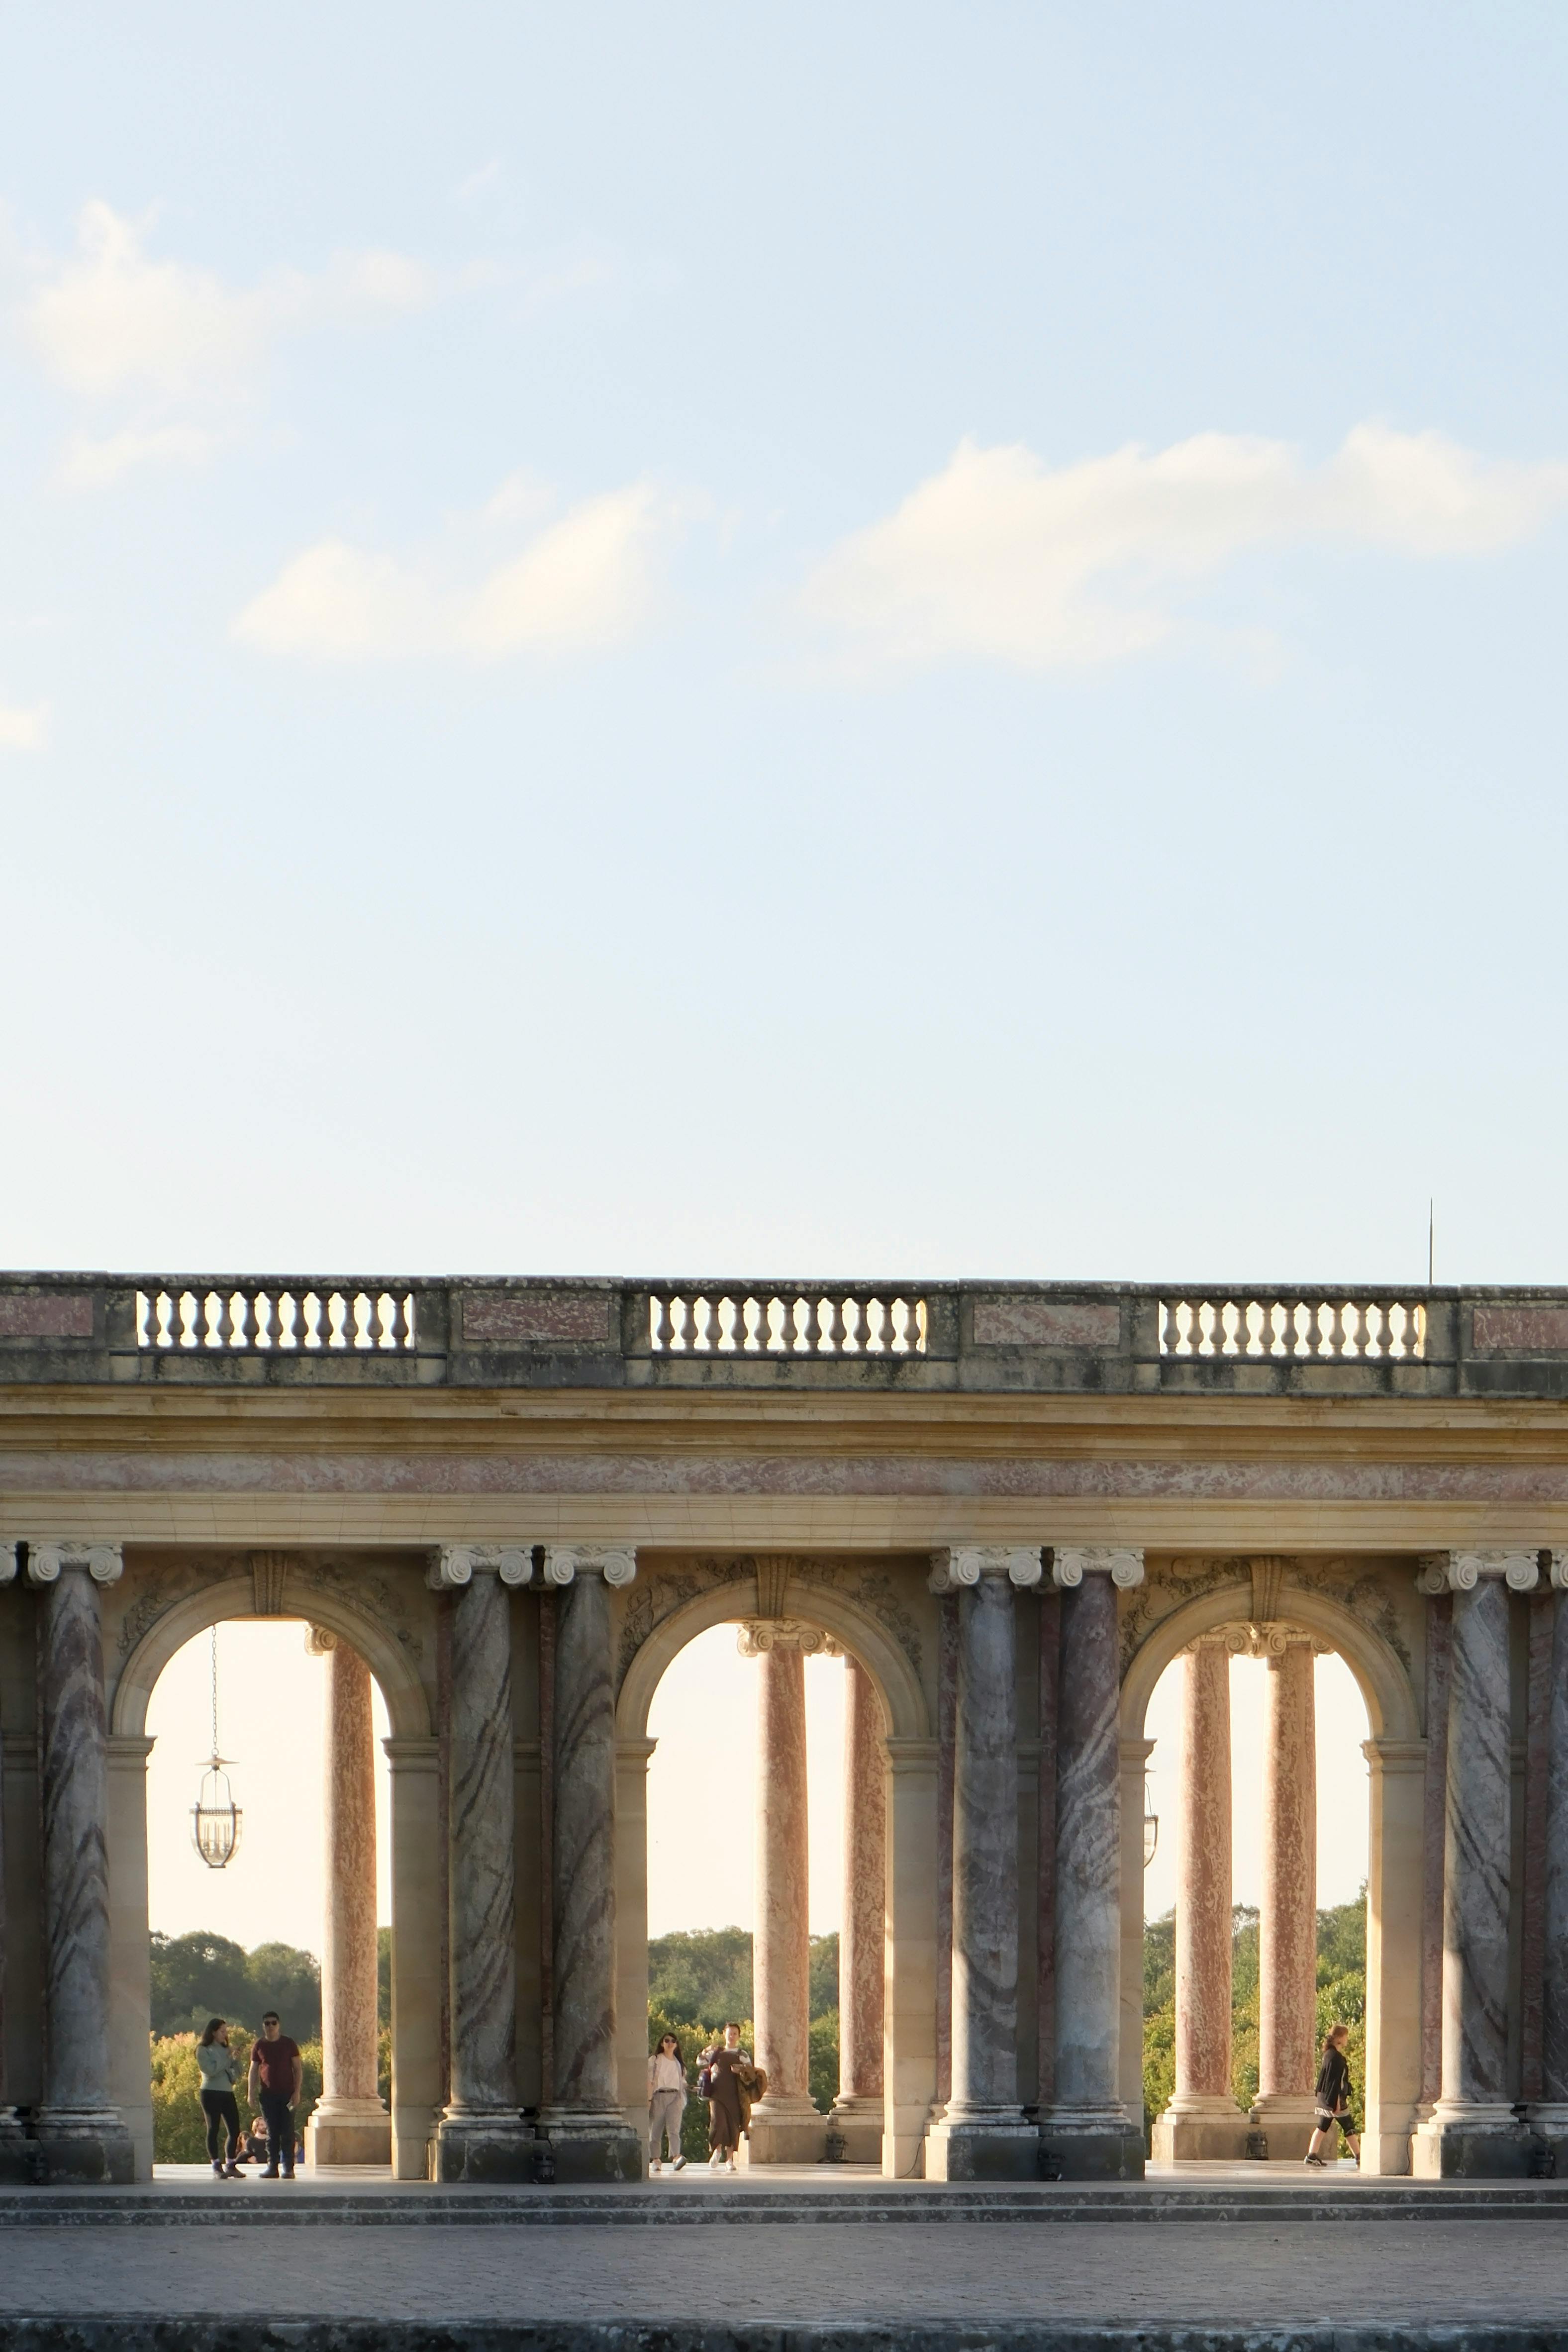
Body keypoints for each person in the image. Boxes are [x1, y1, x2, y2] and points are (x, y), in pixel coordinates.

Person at [247, 2011, 303, 2180]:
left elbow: (298, 2069)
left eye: (273, 2023)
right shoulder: (259, 2045)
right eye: (267, 2023)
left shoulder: (288, 2044)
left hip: (287, 2094)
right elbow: (254, 2070)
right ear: (263, 2026)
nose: (270, 2026)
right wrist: (250, 2093)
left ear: (279, 2025)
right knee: (271, 2133)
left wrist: (297, 2091)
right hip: (267, 2095)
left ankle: (288, 2167)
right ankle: (272, 2167)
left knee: (287, 2131)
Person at [1304, 2023, 1361, 2168]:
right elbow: (1337, 2083)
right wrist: (1336, 2104)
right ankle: (1359, 2157)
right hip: (1334, 2099)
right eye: (1346, 2036)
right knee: (1348, 2127)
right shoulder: (1337, 2058)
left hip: (1324, 2097)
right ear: (1340, 2039)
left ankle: (1312, 2155)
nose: (1347, 2039)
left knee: (1324, 2126)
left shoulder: (1328, 2055)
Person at [196, 2018, 242, 2179]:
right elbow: (211, 2071)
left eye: (226, 2031)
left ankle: (231, 2163)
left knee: (235, 2129)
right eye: (222, 2031)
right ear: (213, 2032)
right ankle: (216, 2164)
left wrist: (236, 2059)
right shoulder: (203, 2050)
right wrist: (228, 2058)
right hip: (210, 2092)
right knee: (213, 2128)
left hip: (227, 2092)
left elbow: (236, 2073)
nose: (225, 2035)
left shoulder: (226, 2049)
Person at [703, 2023, 749, 2172]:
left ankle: (730, 2159)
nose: (732, 2036)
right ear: (725, 2034)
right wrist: (706, 2050)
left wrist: (741, 2070)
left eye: (735, 2033)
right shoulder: (717, 2052)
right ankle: (716, 2151)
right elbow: (700, 2061)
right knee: (717, 2122)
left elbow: (751, 2072)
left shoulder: (742, 2054)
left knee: (733, 2125)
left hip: (735, 2094)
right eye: (730, 2033)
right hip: (717, 2094)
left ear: (739, 2036)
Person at [647, 2032, 688, 2173]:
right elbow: (649, 2081)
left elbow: (682, 2082)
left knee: (674, 2130)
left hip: (675, 2096)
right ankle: (656, 2159)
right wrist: (649, 2099)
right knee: (655, 2129)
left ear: (676, 2045)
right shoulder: (655, 2060)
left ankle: (676, 2157)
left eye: (673, 2041)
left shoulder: (679, 2064)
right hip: (659, 2095)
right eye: (667, 2041)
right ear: (662, 2043)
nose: (670, 2043)